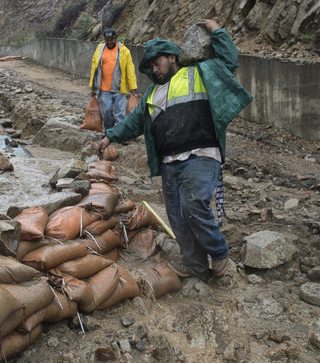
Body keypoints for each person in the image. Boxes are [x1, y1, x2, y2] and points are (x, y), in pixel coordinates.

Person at [94, 19, 253, 279]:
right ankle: (196, 265)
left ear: (172, 57)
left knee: (193, 206)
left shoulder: (199, 73)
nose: (155, 70)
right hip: (169, 162)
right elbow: (134, 123)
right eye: (151, 66)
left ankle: (219, 252)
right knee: (178, 217)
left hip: (200, 156)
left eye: (158, 63)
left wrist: (216, 31)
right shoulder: (152, 94)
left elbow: (229, 61)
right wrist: (108, 137)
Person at [89, 28, 138, 131]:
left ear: (115, 39)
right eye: (107, 40)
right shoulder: (99, 50)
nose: (110, 42)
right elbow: (94, 69)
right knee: (106, 112)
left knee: (120, 113)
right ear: (105, 39)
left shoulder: (124, 51)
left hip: (119, 88)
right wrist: (92, 88)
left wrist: (133, 88)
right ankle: (108, 132)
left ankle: (121, 134)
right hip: (103, 88)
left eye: (111, 39)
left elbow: (130, 70)